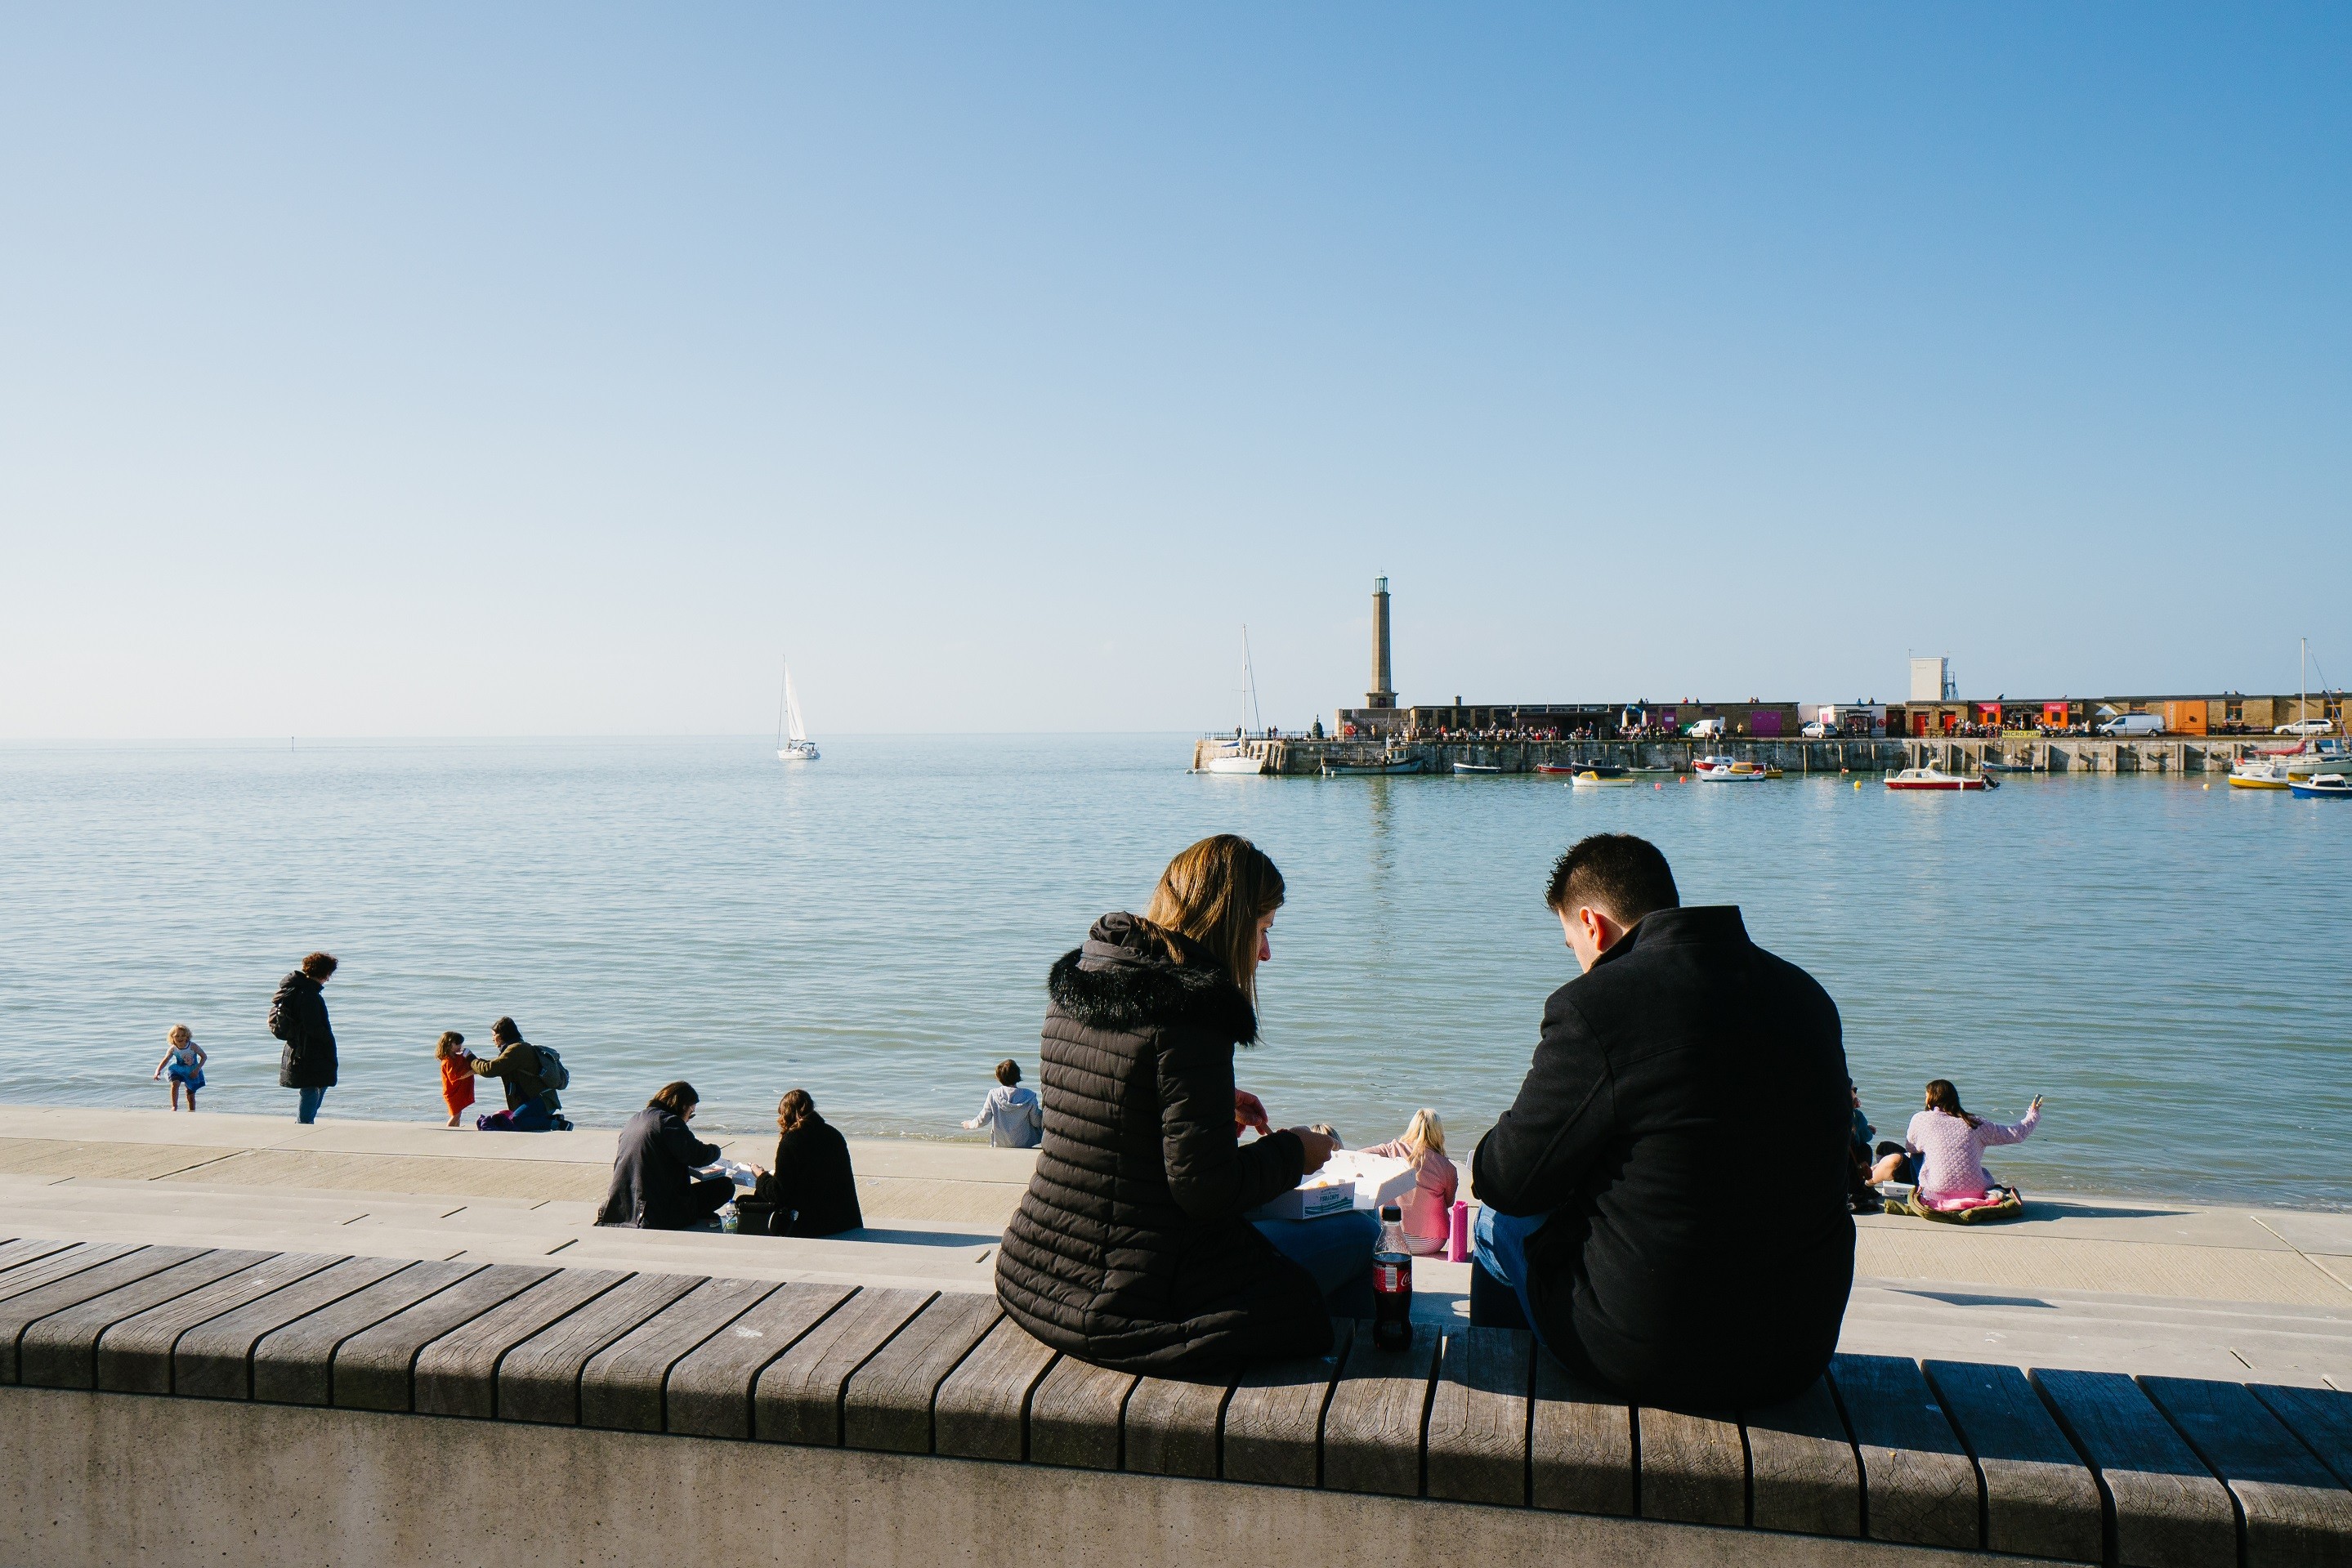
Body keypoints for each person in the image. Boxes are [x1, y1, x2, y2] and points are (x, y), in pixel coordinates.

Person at [1469, 833, 1853, 1408]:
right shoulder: (1806, 996)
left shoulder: (1595, 1005)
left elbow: (1505, 1178)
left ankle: (1502, 1404)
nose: (1577, 958)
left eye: (1570, 942)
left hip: (1652, 1354)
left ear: (1591, 925)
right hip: (1798, 1349)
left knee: (1495, 1225)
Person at [995, 833, 1372, 1374]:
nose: (1266, 951)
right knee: (1359, 1233)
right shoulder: (1192, 1013)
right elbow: (1205, 1188)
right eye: (1263, 930)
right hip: (1124, 1301)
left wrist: (1213, 1101)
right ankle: (1345, 1392)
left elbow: (1105, 1118)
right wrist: (1298, 1150)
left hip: (1036, 1273)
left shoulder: (1085, 981)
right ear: (1230, 922)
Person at [1875, 1080, 2044, 1207]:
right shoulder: (1976, 1123)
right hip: (1976, 1191)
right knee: (1893, 1150)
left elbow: (1912, 1148)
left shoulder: (1922, 1119)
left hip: (1936, 1192)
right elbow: (2016, 1134)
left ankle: (1870, 1177)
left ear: (1930, 1100)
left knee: (1889, 1149)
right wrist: (2033, 1114)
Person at [597, 1081, 732, 1229]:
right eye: (691, 1114)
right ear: (682, 1106)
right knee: (725, 1186)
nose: (688, 1120)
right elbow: (697, 1156)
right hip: (655, 1211)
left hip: (623, 1205)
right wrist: (716, 1150)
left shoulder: (636, 1119)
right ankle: (689, 1214)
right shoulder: (669, 1121)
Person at [752, 1088, 864, 1236]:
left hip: (812, 1224)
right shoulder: (833, 1134)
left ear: (785, 1114)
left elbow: (778, 1192)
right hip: (846, 1220)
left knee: (760, 1194)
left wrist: (761, 1176)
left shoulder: (791, 1141)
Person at [1362, 1108, 1459, 1256]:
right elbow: (1449, 1202)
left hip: (1392, 1238)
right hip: (1431, 1242)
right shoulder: (1447, 1167)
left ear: (1412, 1127)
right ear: (1439, 1133)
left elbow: (1361, 1155)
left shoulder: (1391, 1150)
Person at [269, 952, 339, 1124]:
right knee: (311, 1088)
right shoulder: (308, 995)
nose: (328, 979)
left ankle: (305, 1122)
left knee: (317, 1086)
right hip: (308, 1049)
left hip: (297, 1047)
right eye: (328, 974)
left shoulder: (296, 989)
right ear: (322, 973)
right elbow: (313, 1026)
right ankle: (304, 1124)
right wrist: (327, 1040)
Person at [470, 1016, 563, 1132]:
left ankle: (558, 1124)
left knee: (517, 1120)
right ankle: (551, 1119)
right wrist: (478, 1064)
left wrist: (471, 1059)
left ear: (502, 1035)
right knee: (517, 1121)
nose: (492, 1039)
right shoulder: (517, 1047)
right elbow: (499, 1066)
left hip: (543, 1100)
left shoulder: (516, 1050)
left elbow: (490, 1070)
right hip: (538, 1099)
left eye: (494, 1035)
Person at [962, 1059, 1043, 1149]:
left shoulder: (993, 1094)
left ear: (999, 1077)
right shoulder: (1030, 1096)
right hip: (1024, 1143)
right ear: (1018, 1075)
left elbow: (983, 1119)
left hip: (1000, 1143)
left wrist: (969, 1124)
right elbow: (1036, 1122)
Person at [152, 1025, 206, 1112]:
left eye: (183, 1036)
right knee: (175, 1083)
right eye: (177, 1036)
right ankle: (174, 1106)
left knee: (190, 1094)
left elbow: (204, 1057)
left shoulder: (193, 1046)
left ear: (187, 1037)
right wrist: (157, 1071)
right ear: (172, 1037)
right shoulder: (173, 1049)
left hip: (192, 1070)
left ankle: (192, 1111)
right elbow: (165, 1060)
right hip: (178, 1069)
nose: (180, 1038)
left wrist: (197, 1070)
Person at [436, 1031, 476, 1128]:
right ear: (448, 1044)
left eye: (461, 1044)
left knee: (458, 1114)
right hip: (452, 1093)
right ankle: (449, 1131)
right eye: (457, 1044)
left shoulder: (457, 1057)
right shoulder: (447, 1061)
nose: (460, 1046)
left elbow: (464, 1064)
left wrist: (470, 1056)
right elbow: (457, 1076)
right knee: (456, 1115)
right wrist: (475, 1071)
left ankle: (456, 1130)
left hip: (458, 1091)